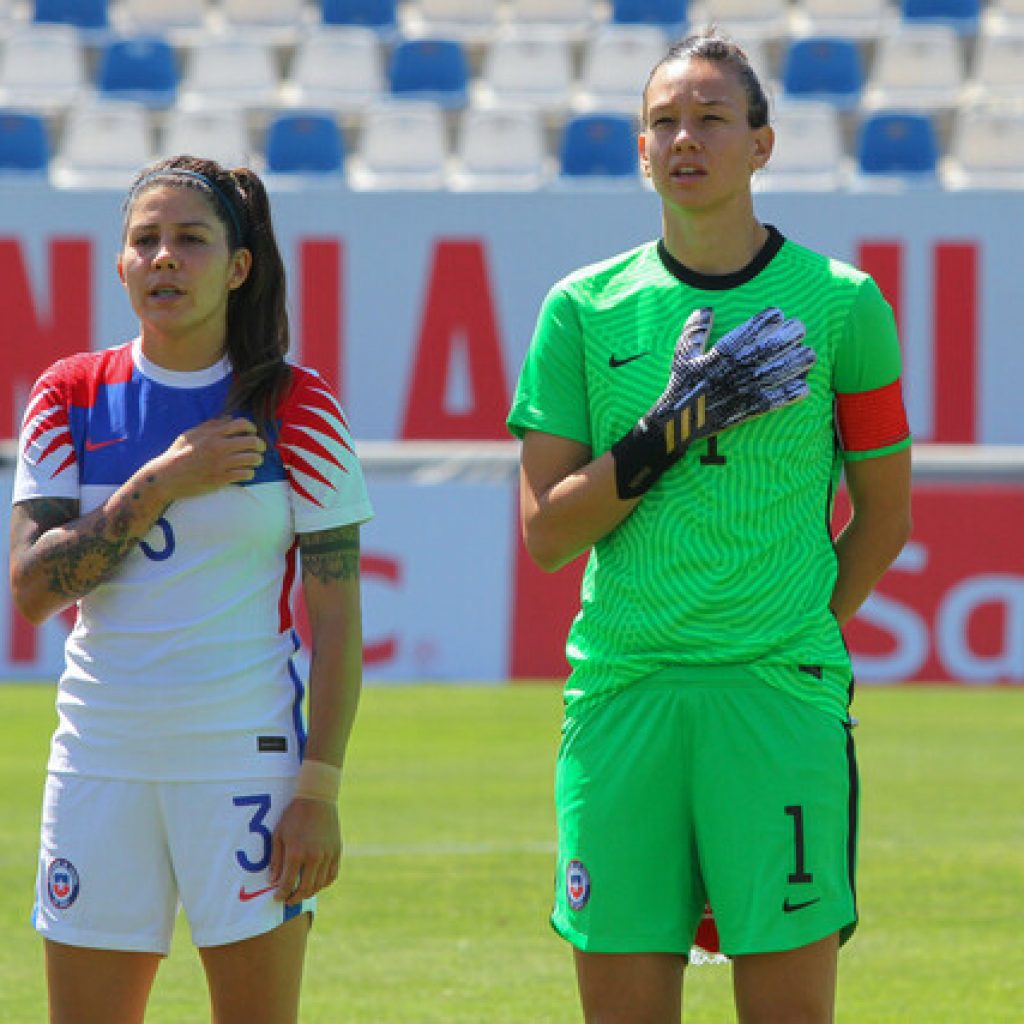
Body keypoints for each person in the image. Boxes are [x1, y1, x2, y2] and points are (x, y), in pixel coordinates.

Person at [507, 29, 913, 1024]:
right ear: (640, 151)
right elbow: (547, 535)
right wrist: (675, 423)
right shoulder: (582, 308)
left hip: (777, 703)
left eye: (711, 119)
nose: (684, 139)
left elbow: (886, 514)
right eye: (662, 122)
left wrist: (791, 629)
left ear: (761, 145)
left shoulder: (841, 303)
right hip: (621, 697)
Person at [9, 154, 373, 1024]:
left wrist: (317, 792)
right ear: (121, 263)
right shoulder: (70, 395)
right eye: (145, 241)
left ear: (238, 266)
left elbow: (336, 619)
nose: (164, 258)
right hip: (100, 754)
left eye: (190, 240)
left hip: (241, 760)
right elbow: (30, 589)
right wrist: (160, 484)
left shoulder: (296, 406)